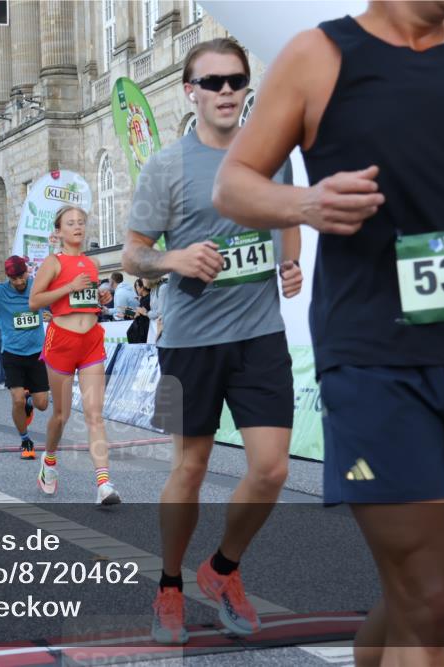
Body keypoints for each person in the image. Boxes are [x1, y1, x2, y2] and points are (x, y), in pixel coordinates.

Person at [212, 1, 444, 661]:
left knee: (422, 600)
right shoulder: (318, 55)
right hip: (373, 358)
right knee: (434, 599)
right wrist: (306, 202)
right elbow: (234, 185)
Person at [122, 37, 303, 645]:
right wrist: (176, 257)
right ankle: (169, 585)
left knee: (272, 469)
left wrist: (290, 264)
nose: (227, 91)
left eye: (237, 80)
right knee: (190, 468)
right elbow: (133, 256)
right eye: (214, 82)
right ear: (190, 91)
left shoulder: (272, 154)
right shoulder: (166, 166)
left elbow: (286, 217)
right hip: (188, 344)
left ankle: (222, 569)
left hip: (261, 336)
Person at [29, 206, 121, 506]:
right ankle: (50, 459)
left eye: (81, 222)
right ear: (59, 231)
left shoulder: (91, 262)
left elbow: (87, 297)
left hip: (91, 340)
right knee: (62, 414)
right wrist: (69, 286)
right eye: (71, 223)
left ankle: (104, 483)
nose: (77, 227)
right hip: (62, 341)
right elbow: (34, 302)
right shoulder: (53, 263)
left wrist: (101, 298)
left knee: (95, 414)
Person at [0, 257, 51, 459]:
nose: (19, 282)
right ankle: (25, 440)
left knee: (42, 404)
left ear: (27, 272)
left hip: (37, 353)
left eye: (22, 276)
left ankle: (30, 400)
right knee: (17, 400)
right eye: (14, 279)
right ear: (8, 277)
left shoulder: (37, 285)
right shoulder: (1, 291)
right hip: (12, 353)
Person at [125, 278, 152, 344]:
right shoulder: (144, 298)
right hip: (140, 330)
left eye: (136, 286)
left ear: (142, 287)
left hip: (142, 331)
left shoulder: (147, 298)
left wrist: (127, 311)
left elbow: (138, 314)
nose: (136, 289)